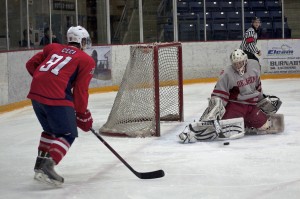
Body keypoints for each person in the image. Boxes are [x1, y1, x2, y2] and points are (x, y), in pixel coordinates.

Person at [26, 25, 95, 186]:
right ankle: (48, 166)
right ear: (82, 41)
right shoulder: (86, 60)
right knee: (68, 133)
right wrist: (82, 113)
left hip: (36, 93)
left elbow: (31, 65)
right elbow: (81, 90)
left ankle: (39, 165)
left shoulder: (53, 47)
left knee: (50, 130)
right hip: (56, 96)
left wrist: (44, 80)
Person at [178, 49, 283, 143]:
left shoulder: (254, 66)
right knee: (222, 125)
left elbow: (258, 86)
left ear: (245, 60)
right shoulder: (227, 73)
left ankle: (246, 124)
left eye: (240, 63)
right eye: (235, 64)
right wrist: (215, 109)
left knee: (266, 126)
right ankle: (196, 132)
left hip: (251, 106)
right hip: (236, 105)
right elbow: (219, 93)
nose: (238, 66)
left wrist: (262, 100)